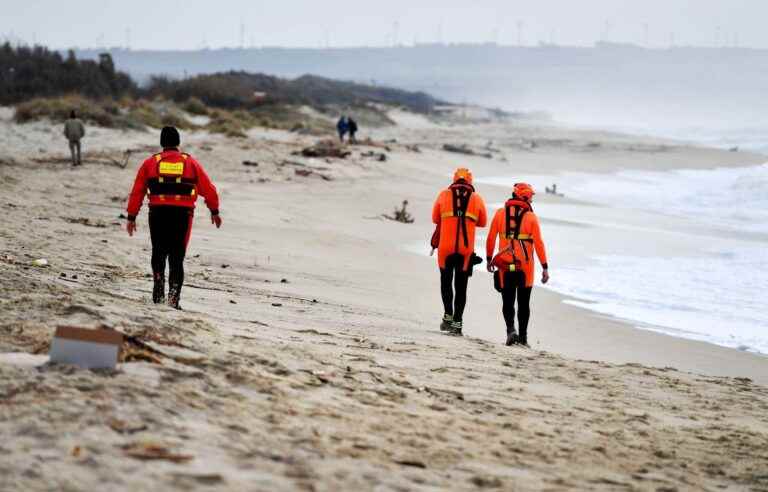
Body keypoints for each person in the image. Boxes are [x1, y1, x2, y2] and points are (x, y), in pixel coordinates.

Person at [125, 126, 222, 309]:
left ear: (162, 143)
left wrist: (131, 216)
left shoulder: (150, 163)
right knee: (177, 257)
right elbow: (209, 190)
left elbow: (137, 192)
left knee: (158, 252)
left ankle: (158, 292)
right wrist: (214, 211)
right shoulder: (191, 163)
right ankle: (173, 299)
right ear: (178, 142)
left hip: (158, 213)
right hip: (182, 215)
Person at [486, 183, 549, 347]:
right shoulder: (531, 218)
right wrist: (545, 267)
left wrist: (488, 258)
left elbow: (491, 238)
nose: (532, 201)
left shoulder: (500, 214)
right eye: (531, 198)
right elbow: (539, 244)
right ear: (526, 198)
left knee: (507, 301)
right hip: (525, 268)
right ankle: (523, 338)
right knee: (523, 303)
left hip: (504, 265)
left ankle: (510, 331)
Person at [431, 168, 487, 336]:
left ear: (454, 180)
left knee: (446, 283)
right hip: (465, 249)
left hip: (445, 247)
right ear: (470, 182)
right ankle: (457, 323)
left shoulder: (443, 194)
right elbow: (483, 222)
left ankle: (447, 317)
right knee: (461, 287)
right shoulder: (476, 198)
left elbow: (435, 218)